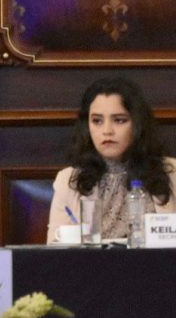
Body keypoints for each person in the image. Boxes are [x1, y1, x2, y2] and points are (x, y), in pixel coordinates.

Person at [47, 77, 176, 243]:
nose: (107, 131)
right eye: (97, 121)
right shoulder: (68, 181)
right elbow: (54, 249)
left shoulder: (172, 173)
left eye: (119, 120)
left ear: (137, 124)